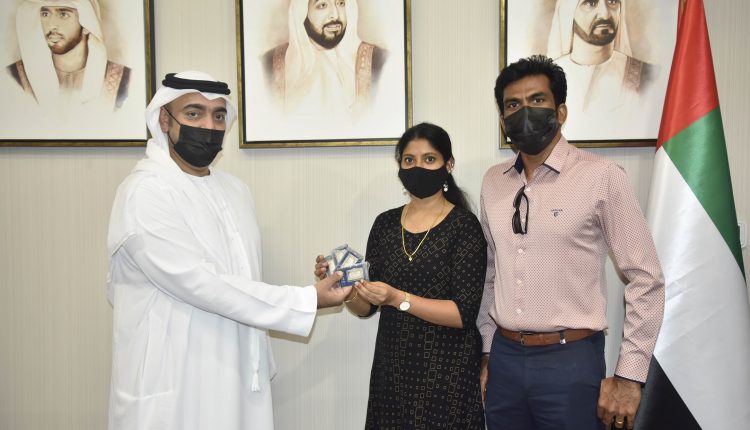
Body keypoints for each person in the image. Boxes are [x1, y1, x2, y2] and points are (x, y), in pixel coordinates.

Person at [106, 71, 349, 430]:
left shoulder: (235, 190)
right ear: (164, 120)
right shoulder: (145, 192)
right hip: (174, 380)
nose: (209, 125)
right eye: (193, 113)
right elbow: (200, 283)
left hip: (237, 373)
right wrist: (306, 299)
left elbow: (244, 278)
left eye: (218, 115)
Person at [478, 55, 664, 430]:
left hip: (571, 361)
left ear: (560, 112)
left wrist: (629, 376)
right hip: (504, 359)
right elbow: (490, 272)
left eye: (537, 100)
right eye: (513, 105)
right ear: (502, 121)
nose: (524, 111)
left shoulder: (602, 176)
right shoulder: (493, 182)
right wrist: (487, 352)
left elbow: (646, 278)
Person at [316, 123, 487, 428]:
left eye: (429, 159)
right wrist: (346, 286)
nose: (418, 167)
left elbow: (463, 313)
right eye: (409, 160)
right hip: (393, 372)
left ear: (449, 165)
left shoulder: (464, 226)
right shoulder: (385, 224)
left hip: (448, 374)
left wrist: (398, 298)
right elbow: (367, 307)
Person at [262, 0, 387, 119]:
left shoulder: (379, 62)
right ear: (302, 12)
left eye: (340, 3)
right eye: (322, 5)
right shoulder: (267, 66)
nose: (335, 15)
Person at [546, 0, 656, 133]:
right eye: (590, 3)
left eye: (612, 2)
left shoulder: (648, 76)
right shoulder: (546, 77)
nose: (605, 14)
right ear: (569, 12)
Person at [7, 0, 130, 110]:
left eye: (63, 14)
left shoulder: (123, 80)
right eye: (45, 14)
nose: (51, 25)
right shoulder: (13, 77)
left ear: (87, 25)